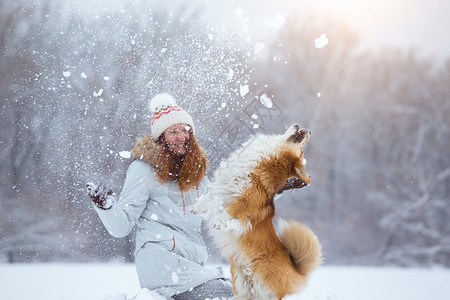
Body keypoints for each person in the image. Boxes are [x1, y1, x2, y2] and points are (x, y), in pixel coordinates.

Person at [87, 93, 234, 299]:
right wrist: (106, 206)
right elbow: (122, 227)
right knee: (226, 294)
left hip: (193, 266)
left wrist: (271, 189)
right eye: (173, 131)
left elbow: (225, 210)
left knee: (238, 292)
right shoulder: (143, 170)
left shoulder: (196, 175)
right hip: (161, 265)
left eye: (185, 130)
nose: (181, 136)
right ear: (160, 137)